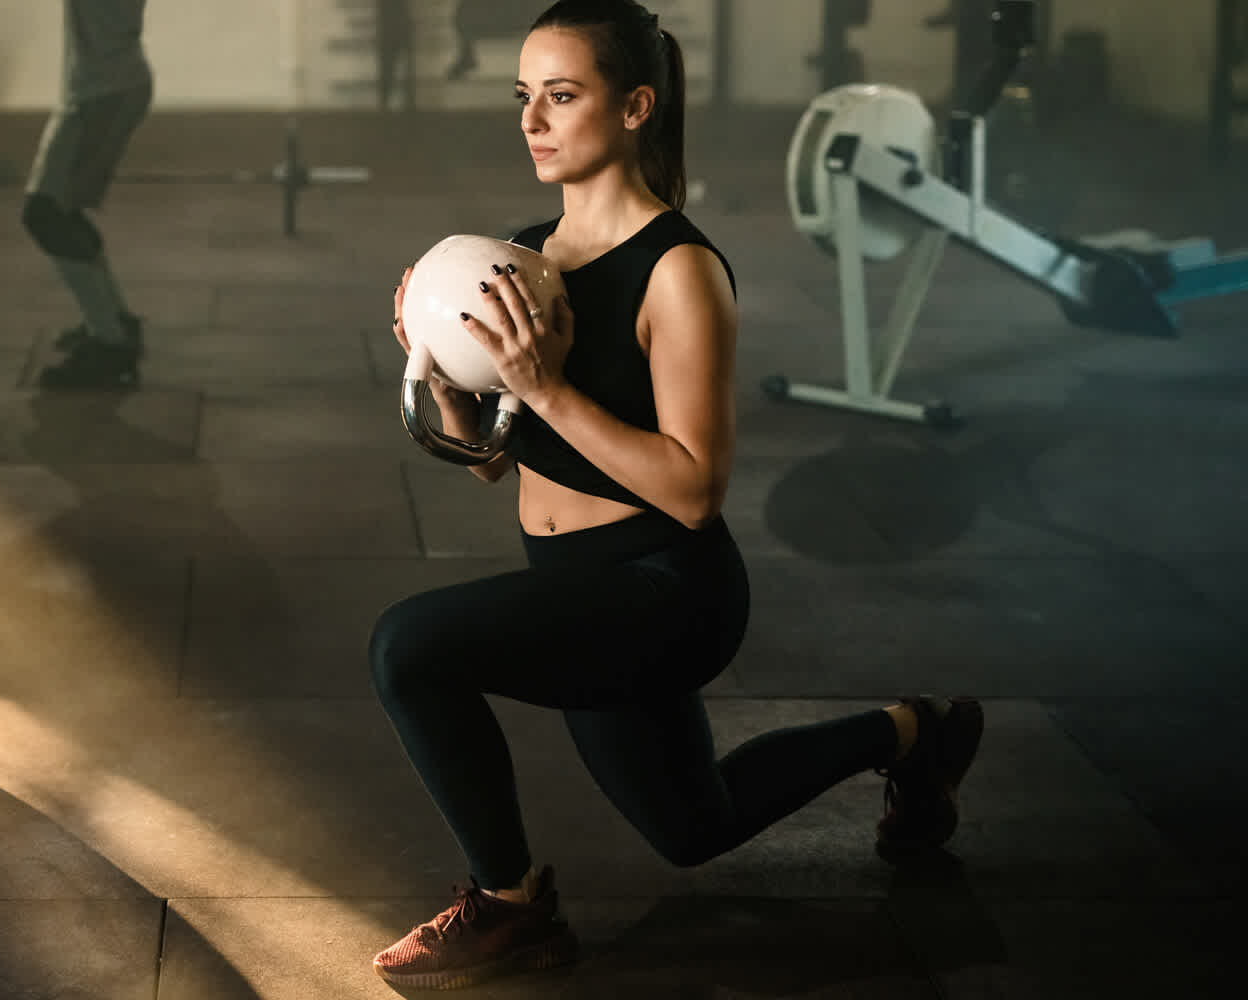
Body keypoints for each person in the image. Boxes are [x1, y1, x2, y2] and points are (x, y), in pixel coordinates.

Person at [368, 1, 985, 989]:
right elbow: (494, 459)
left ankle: (511, 906)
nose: (532, 119)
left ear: (633, 107)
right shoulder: (524, 251)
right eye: (522, 97)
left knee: (407, 646)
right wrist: (442, 374)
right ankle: (912, 733)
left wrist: (541, 388)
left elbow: (693, 489)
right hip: (573, 585)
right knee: (692, 826)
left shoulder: (679, 271)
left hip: (664, 591)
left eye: (560, 96)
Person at [27, 0, 151, 389]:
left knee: (46, 215)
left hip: (103, 92)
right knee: (61, 212)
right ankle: (113, 320)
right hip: (101, 87)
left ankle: (110, 343)